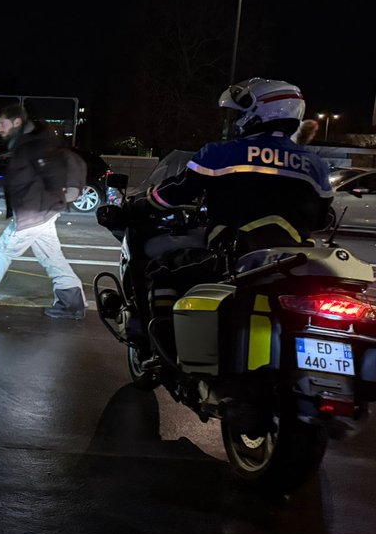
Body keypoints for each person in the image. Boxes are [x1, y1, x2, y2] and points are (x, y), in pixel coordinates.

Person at [139, 78, 333, 354]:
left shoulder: (220, 153)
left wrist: (140, 205)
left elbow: (173, 194)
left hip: (231, 258)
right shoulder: (316, 165)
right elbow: (322, 219)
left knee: (163, 273)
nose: (237, 120)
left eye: (240, 112)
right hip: (293, 264)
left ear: (260, 112)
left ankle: (164, 355)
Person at [0, 102, 86, 319]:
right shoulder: (31, 142)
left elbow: (49, 176)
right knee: (52, 258)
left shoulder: (34, 145)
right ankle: (72, 303)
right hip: (42, 212)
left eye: (2, 124)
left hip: (34, 213)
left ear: (17, 122)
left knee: (1, 252)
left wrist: (43, 203)